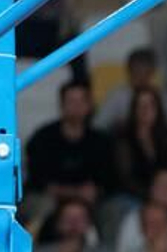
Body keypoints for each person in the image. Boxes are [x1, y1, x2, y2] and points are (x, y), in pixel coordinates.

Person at [23, 81, 114, 209]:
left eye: (81, 101)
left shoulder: (101, 141)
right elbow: (37, 180)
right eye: (71, 101)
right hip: (48, 199)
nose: (76, 107)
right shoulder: (42, 138)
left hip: (90, 201)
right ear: (62, 105)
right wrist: (72, 192)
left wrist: (95, 191)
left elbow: (107, 180)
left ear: (89, 106)